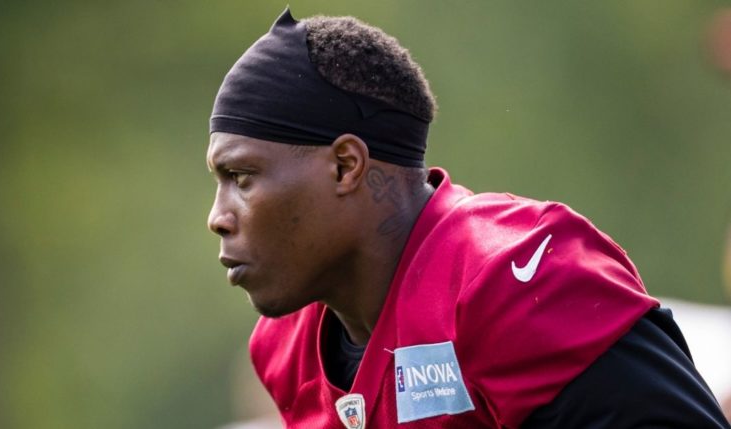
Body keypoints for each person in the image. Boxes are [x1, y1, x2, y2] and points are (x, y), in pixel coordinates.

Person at [206, 9, 730, 428]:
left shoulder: (521, 282)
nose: (218, 217)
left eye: (242, 177)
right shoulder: (285, 348)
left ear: (346, 167)